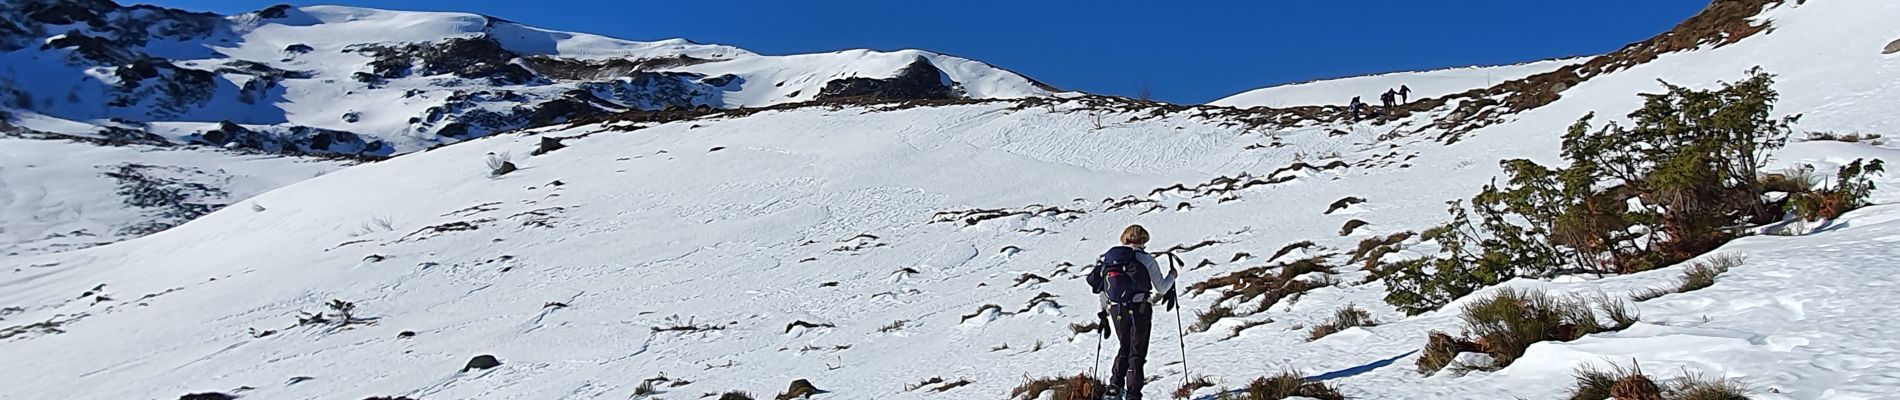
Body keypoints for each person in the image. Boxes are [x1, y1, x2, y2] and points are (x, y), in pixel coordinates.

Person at [1089, 225, 1178, 400]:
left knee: (1124, 346)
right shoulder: (1145, 259)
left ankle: (1114, 387)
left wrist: (1104, 311)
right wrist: (1172, 275)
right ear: (1143, 240)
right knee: (1137, 353)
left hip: (1116, 309)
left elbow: (1102, 289)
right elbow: (1161, 287)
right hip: (1140, 308)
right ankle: (1133, 395)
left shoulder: (1109, 259)